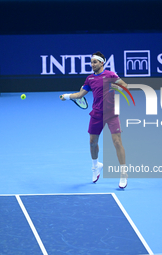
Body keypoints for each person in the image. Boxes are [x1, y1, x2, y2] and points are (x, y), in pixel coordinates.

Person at [60, 51, 128, 188]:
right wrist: (67, 96)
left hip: (112, 113)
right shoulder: (89, 79)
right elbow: (80, 95)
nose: (92, 64)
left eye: (95, 62)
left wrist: (113, 87)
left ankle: (123, 173)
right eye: (91, 62)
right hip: (97, 114)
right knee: (92, 142)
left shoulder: (110, 75)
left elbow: (125, 86)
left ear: (102, 63)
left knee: (117, 142)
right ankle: (96, 166)